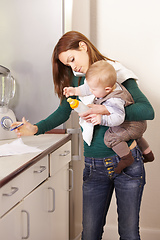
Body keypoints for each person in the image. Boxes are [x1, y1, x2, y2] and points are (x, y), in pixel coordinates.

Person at [11, 31, 155, 240]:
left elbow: (147, 111)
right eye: (68, 65)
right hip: (94, 166)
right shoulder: (77, 81)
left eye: (72, 59)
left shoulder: (114, 73)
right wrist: (35, 128)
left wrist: (105, 110)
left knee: (129, 234)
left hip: (128, 163)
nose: (73, 67)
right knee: (90, 234)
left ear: (83, 47)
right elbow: (62, 112)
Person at [63, 60, 154, 173]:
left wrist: (101, 119)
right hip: (138, 125)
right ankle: (148, 153)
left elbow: (118, 118)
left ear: (107, 89)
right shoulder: (107, 85)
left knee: (111, 137)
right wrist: (74, 91)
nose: (90, 91)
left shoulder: (114, 100)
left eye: (94, 90)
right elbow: (87, 88)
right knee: (136, 136)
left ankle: (126, 158)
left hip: (131, 126)